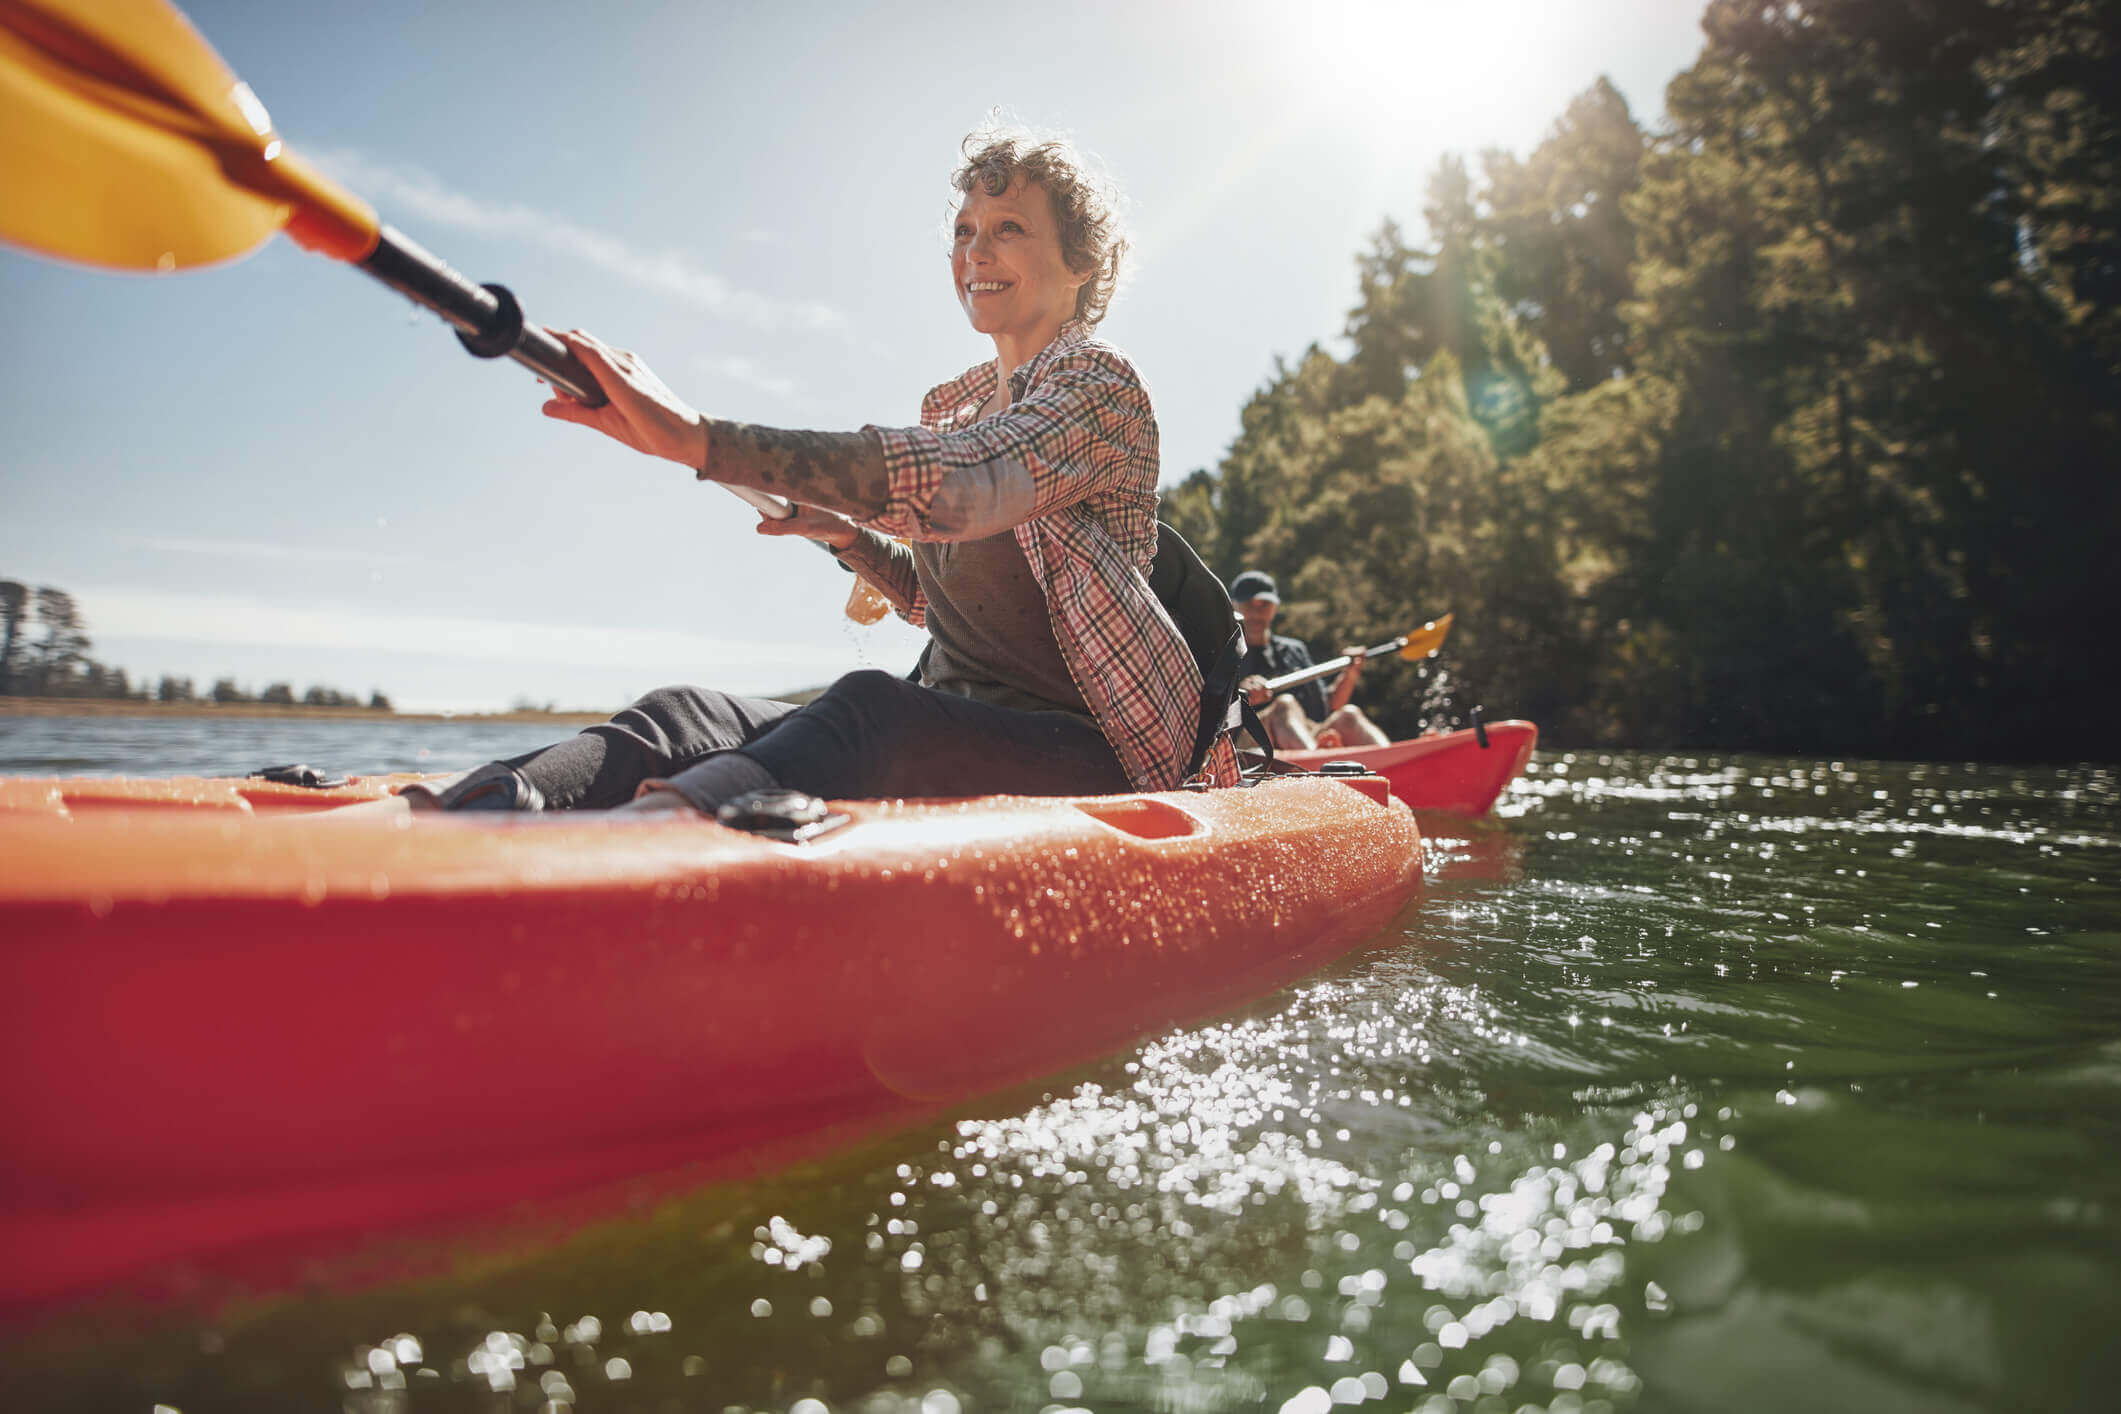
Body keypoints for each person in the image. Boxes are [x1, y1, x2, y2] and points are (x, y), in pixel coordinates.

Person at [382, 130, 1239, 818]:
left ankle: (653, 840)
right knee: (687, 711)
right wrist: (849, 539)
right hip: (951, 714)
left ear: (1083, 263)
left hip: (1085, 749)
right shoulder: (959, 404)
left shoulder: (1098, 387)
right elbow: (950, 606)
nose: (975, 252)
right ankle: (478, 809)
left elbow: (969, 487)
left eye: (1009, 228)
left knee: (868, 708)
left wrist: (696, 439)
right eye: (964, 231)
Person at [1229, 570, 1389, 753]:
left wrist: (1350, 674)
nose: (1257, 613)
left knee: (1348, 715)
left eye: (1264, 605)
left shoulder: (1294, 650)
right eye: (1249, 605)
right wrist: (1241, 696)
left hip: (1305, 737)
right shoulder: (1223, 654)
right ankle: (1318, 762)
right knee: (1285, 704)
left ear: (1274, 608)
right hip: (1248, 744)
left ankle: (1397, 757)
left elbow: (1330, 705)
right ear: (1234, 607)